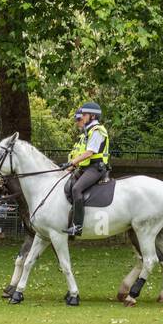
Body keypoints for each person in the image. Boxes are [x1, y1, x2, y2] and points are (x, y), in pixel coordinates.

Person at [63, 101, 109, 237]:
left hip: (96, 168)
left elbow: (90, 153)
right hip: (85, 168)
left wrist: (72, 162)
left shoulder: (97, 131)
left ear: (92, 116)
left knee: (77, 189)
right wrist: (68, 167)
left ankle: (77, 226)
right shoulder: (88, 131)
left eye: (84, 114)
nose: (81, 117)